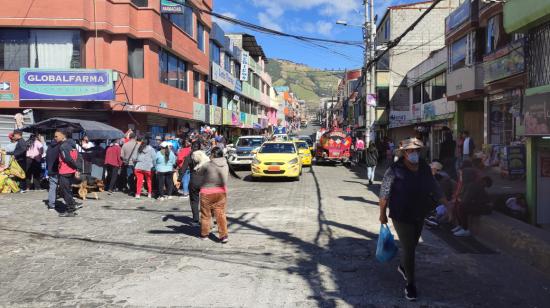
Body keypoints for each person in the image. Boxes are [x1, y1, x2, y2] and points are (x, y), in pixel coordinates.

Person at [378, 137, 447, 301]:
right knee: (408, 248)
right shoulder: (394, 169)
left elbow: (433, 185)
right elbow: (384, 192)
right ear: (404, 153)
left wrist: (446, 203)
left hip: (419, 212)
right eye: (410, 151)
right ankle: (410, 284)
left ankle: (403, 266)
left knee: (413, 245)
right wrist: (382, 213)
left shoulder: (423, 166)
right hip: (401, 214)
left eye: (416, 150)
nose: (414, 153)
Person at [198, 147, 229, 243]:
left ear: (213, 155)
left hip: (207, 193)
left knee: (206, 215)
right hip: (221, 192)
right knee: (220, 214)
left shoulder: (208, 165)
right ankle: (223, 236)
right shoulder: (226, 164)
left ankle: (205, 234)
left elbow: (199, 172)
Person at [57, 129, 82, 217]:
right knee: (67, 190)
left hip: (65, 171)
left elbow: (68, 159)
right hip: (71, 171)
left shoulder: (63, 146)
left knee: (65, 191)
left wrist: (76, 167)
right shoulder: (73, 145)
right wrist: (77, 169)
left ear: (63, 136)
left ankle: (70, 210)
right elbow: (79, 157)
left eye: (57, 136)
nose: (55, 138)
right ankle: (72, 205)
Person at [181, 142, 203, 225]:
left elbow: (183, 169)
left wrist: (179, 179)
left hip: (194, 181)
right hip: (204, 181)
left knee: (194, 200)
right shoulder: (204, 156)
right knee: (206, 201)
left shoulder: (189, 157)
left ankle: (196, 219)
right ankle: (207, 218)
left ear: (192, 147)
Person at [45, 137, 61, 210]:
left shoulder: (49, 147)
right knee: (65, 187)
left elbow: (47, 158)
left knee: (52, 187)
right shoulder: (60, 146)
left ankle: (51, 205)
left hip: (51, 169)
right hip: (59, 169)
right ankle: (70, 203)